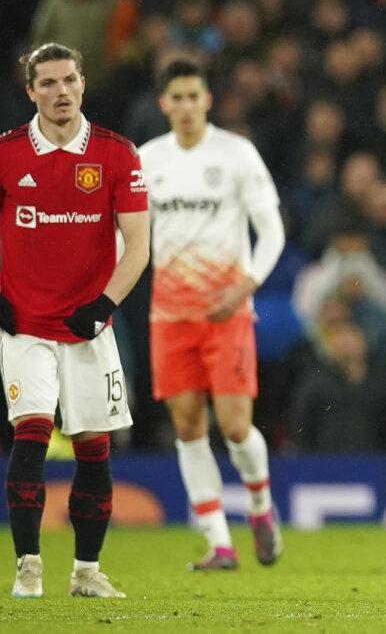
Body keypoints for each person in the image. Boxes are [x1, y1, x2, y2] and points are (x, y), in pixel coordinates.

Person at [1, 43, 150, 598]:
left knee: (92, 444)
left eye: (69, 80)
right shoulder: (6, 153)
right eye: (48, 83)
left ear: (83, 84)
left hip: (90, 326)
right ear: (31, 92)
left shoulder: (116, 153)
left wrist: (104, 305)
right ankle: (28, 568)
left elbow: (138, 245)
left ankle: (86, 572)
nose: (60, 91)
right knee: (32, 433)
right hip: (24, 325)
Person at [139, 59, 286, 571]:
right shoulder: (147, 160)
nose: (185, 106)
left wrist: (246, 285)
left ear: (207, 100)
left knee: (235, 426)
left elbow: (272, 232)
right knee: (187, 427)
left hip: (227, 311)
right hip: (169, 316)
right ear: (164, 104)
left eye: (193, 96)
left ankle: (261, 506)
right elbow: (129, 236)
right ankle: (219, 542)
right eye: (176, 97)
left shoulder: (235, 154)